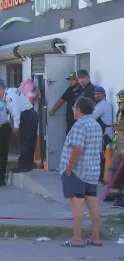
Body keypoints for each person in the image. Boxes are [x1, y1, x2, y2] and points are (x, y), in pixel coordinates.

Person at [59, 96, 102, 247]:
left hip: (78, 172)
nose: (73, 110)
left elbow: (77, 148)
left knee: (77, 202)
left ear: (78, 110)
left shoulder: (79, 126)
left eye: (74, 107)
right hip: (92, 171)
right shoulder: (96, 125)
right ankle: (95, 236)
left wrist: (69, 169)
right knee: (92, 202)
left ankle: (76, 239)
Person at [0, 83, 39, 173]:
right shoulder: (12, 90)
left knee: (24, 141)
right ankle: (28, 165)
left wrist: (16, 126)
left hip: (26, 116)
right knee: (29, 141)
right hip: (31, 114)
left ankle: (23, 166)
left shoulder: (9, 96)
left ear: (0, 89)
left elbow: (16, 111)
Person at [91, 86, 113, 182]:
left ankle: (101, 177)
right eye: (95, 94)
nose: (96, 95)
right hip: (104, 133)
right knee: (100, 155)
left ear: (104, 94)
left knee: (100, 155)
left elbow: (92, 117)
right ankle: (100, 177)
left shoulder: (102, 105)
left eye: (99, 93)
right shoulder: (101, 104)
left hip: (104, 133)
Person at [106, 89, 124, 208]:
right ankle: (114, 193)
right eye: (119, 102)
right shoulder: (120, 112)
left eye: (122, 102)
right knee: (113, 168)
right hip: (120, 147)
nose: (120, 105)